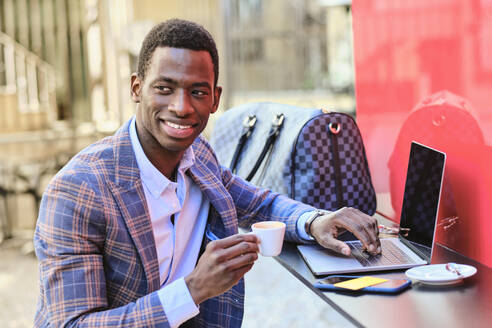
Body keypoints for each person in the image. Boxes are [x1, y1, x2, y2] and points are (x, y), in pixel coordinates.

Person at [34, 19, 380, 327]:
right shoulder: (79, 190)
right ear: (136, 88)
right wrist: (195, 289)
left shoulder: (198, 155)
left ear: (215, 99)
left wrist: (314, 222)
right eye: (164, 88)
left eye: (197, 92)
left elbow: (260, 205)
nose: (182, 107)